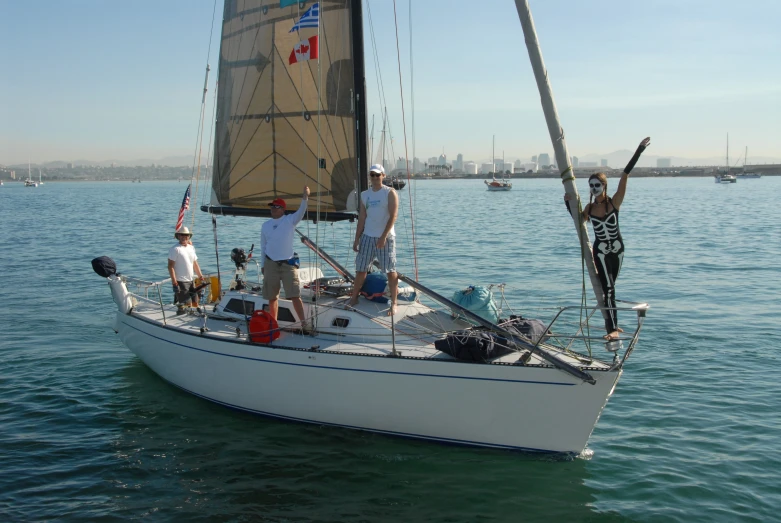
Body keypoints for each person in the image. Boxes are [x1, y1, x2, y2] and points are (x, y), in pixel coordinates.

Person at [565, 137, 651, 340]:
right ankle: (611, 329)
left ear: (604, 186)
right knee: (609, 288)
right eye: (591, 185)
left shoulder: (614, 203)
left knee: (611, 287)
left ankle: (614, 326)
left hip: (618, 250)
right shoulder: (589, 208)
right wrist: (568, 204)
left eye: (597, 185)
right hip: (601, 251)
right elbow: (579, 223)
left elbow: (625, 175)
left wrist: (639, 150)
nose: (594, 188)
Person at [348, 164, 399, 315]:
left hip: (386, 237)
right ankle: (354, 297)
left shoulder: (389, 193)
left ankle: (394, 302)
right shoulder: (365, 195)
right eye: (372, 175)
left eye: (378, 175)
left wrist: (383, 237)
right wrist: (357, 238)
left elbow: (393, 216)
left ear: (383, 175)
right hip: (367, 236)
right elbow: (362, 217)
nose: (375, 177)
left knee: (390, 270)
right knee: (361, 269)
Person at [260, 186, 310, 331]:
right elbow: (263, 246)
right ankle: (273, 324)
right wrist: (263, 264)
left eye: (276, 207)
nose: (273, 209)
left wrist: (305, 197)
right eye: (272, 207)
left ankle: (304, 323)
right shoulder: (266, 225)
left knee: (294, 295)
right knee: (272, 297)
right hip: (271, 264)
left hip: (288, 264)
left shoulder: (289, 220)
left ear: (282, 209)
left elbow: (301, 212)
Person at [168, 226, 205, 313]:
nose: (184, 237)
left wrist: (201, 277)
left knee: (195, 303)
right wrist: (174, 283)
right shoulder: (175, 249)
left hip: (191, 281)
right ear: (178, 236)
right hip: (181, 282)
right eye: (182, 235)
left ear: (189, 237)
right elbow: (170, 266)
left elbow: (195, 264)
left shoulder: (191, 248)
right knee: (186, 306)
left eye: (186, 235)